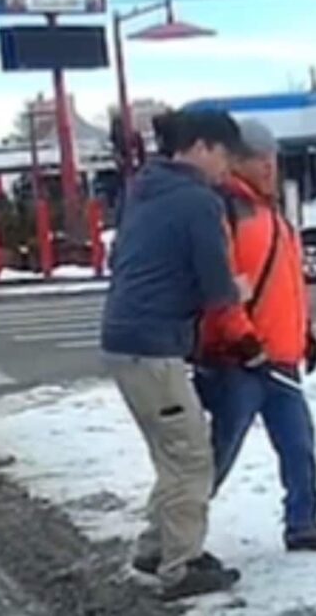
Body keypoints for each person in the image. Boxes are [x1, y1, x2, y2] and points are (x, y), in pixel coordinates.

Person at [101, 109, 252, 601]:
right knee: (190, 459)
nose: (228, 170)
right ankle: (180, 566)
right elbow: (215, 288)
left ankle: (157, 545)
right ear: (203, 147)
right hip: (155, 345)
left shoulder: (143, 187)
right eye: (227, 157)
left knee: (172, 453)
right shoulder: (196, 201)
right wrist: (239, 289)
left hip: (127, 342)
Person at [196, 119, 316, 553]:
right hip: (240, 360)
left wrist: (304, 332)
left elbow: (287, 285)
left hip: (279, 357)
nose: (268, 166)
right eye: (256, 158)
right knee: (219, 453)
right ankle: (174, 535)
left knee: (298, 446)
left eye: (272, 157)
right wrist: (243, 338)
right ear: (235, 161)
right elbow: (221, 285)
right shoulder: (225, 210)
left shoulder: (272, 214)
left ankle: (303, 522)